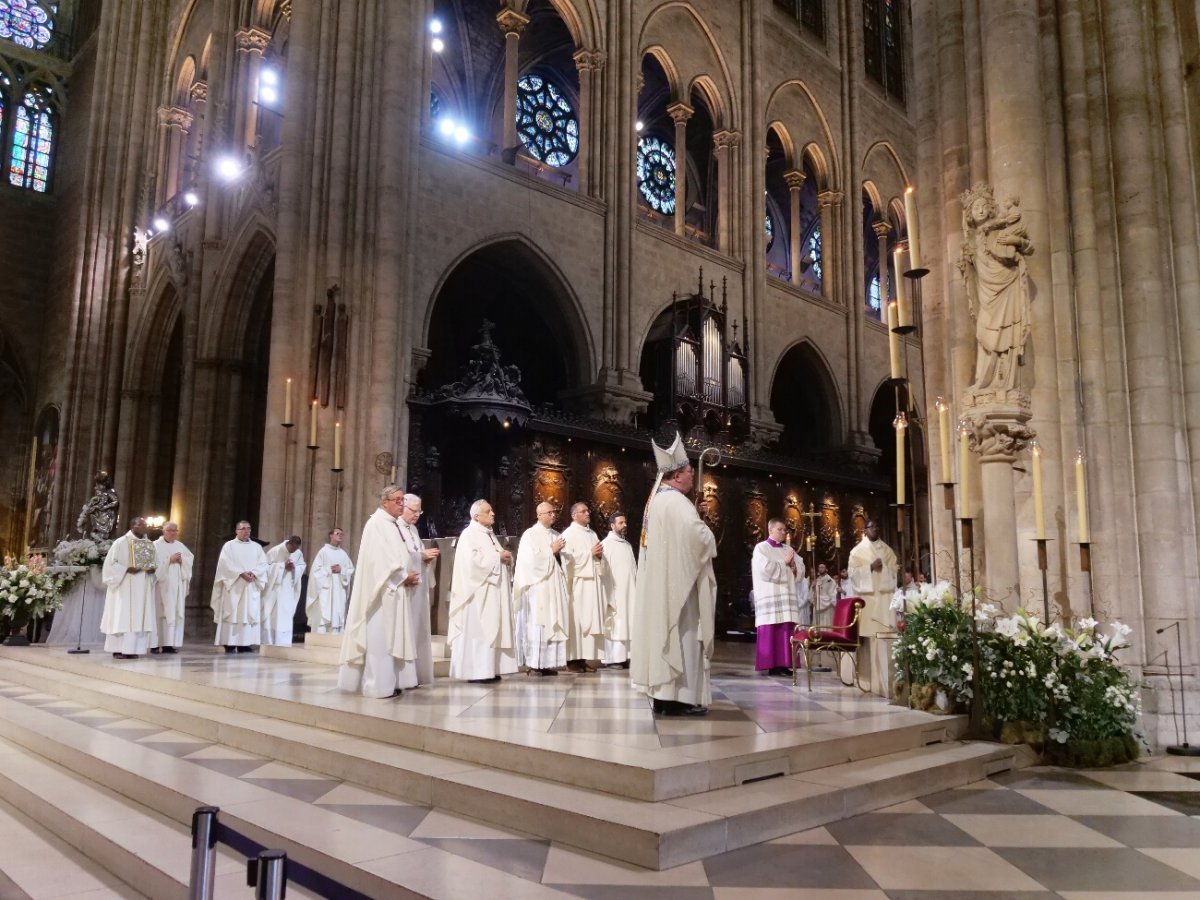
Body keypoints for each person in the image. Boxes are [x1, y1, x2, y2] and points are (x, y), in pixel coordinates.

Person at [630, 433, 717, 716]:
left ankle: (664, 698)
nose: (693, 477)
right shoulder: (677, 503)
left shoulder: (655, 501)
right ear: (677, 475)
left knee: (663, 637)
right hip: (679, 588)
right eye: (690, 472)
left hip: (661, 584)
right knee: (684, 636)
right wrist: (706, 528)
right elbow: (698, 539)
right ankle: (680, 698)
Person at [338, 486, 430, 698]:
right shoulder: (376, 524)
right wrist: (401, 576)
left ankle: (392, 682)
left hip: (396, 591)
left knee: (393, 639)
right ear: (384, 502)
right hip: (381, 593)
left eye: (401, 500)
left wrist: (407, 573)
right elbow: (377, 561)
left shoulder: (392, 525)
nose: (401, 504)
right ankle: (376, 686)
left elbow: (399, 555)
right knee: (381, 641)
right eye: (397, 500)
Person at [447, 499, 518, 683]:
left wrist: (506, 559)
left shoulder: (489, 534)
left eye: (492, 510)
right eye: (488, 511)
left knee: (493, 628)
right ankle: (476, 671)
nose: (493, 513)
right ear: (477, 516)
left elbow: (495, 556)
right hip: (477, 595)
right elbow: (471, 564)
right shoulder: (469, 534)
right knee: (480, 631)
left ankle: (490, 669)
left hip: (492, 591)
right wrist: (497, 557)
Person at [512, 501, 569, 676]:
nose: (553, 515)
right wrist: (551, 551)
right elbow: (529, 562)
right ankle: (534, 664)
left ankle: (547, 663)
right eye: (549, 512)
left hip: (554, 586)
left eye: (554, 512)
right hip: (538, 588)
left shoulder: (556, 534)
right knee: (538, 624)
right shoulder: (530, 535)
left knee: (553, 621)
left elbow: (563, 561)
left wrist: (559, 555)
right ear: (539, 515)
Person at [847, 519, 899, 696]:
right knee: (868, 640)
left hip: (884, 599)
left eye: (877, 526)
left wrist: (884, 569)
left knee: (885, 640)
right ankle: (867, 680)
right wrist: (869, 567)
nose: (875, 529)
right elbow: (852, 575)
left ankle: (885, 683)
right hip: (868, 601)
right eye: (872, 527)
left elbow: (895, 572)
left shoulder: (888, 551)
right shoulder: (857, 552)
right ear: (865, 530)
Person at [751, 519, 803, 677]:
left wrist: (793, 565)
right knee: (772, 629)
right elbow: (764, 569)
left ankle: (786, 664)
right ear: (770, 530)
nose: (783, 532)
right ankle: (771, 665)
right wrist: (784, 563)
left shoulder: (789, 549)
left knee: (786, 630)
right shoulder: (761, 548)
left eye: (784, 529)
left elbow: (800, 570)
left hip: (787, 596)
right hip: (771, 597)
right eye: (780, 529)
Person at [100, 515, 157, 659]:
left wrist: (152, 570)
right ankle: (118, 649)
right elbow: (109, 565)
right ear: (133, 526)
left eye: (145, 525)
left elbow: (156, 564)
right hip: (124, 586)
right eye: (141, 525)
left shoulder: (149, 544)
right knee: (122, 617)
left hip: (142, 586)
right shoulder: (120, 543)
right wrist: (126, 569)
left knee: (138, 618)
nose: (145, 527)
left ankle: (133, 650)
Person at [395, 493, 438, 685]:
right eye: (414, 511)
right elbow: (397, 557)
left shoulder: (412, 530)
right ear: (402, 506)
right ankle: (402, 677)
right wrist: (420, 556)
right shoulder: (394, 528)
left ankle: (414, 676)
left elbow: (416, 553)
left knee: (416, 630)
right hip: (402, 587)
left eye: (420, 511)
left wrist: (425, 558)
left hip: (416, 589)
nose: (417, 515)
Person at [210, 520, 269, 653]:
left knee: (248, 614)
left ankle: (245, 644)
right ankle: (229, 643)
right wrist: (241, 573)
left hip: (251, 585)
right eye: (243, 529)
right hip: (234, 585)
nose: (246, 531)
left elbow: (263, 564)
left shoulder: (257, 547)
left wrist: (253, 573)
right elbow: (225, 564)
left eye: (248, 528)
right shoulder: (229, 546)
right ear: (236, 531)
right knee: (233, 613)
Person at [561, 501, 605, 673]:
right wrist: (589, 554)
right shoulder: (568, 534)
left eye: (588, 511)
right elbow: (567, 560)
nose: (588, 514)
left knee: (590, 621)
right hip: (579, 585)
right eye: (583, 511)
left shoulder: (592, 533)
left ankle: (583, 659)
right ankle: (572, 660)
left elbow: (599, 555)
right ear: (574, 515)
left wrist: (600, 557)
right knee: (577, 622)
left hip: (593, 584)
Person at [600, 512, 637, 668]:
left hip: (630, 591)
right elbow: (603, 570)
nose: (625, 525)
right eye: (621, 523)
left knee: (629, 622)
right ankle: (614, 658)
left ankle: (627, 656)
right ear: (612, 525)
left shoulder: (627, 545)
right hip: (615, 592)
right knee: (617, 624)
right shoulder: (606, 545)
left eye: (625, 522)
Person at [151, 521, 193, 653]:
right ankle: (155, 644)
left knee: (174, 613)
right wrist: (170, 559)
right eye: (170, 530)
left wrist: (182, 560)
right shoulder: (155, 545)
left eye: (175, 530)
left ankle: (169, 643)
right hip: (161, 586)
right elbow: (153, 565)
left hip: (176, 587)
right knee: (159, 613)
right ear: (163, 531)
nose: (173, 533)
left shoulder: (180, 545)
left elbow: (189, 558)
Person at [307, 528, 355, 633]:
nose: (340, 536)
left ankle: (336, 631)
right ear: (331, 536)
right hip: (326, 589)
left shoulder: (343, 554)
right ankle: (322, 631)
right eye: (337, 533)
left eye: (342, 534)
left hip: (339, 589)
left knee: (338, 612)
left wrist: (341, 570)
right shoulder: (323, 552)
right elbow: (315, 571)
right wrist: (330, 569)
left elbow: (350, 569)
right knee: (325, 612)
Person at [263, 536, 305, 646]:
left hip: (288, 590)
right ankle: (270, 641)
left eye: (296, 549)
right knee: (274, 616)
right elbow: (265, 568)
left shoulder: (298, 553)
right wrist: (282, 566)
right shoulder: (275, 551)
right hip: (275, 590)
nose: (293, 551)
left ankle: (284, 642)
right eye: (292, 549)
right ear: (289, 544)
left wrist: (294, 568)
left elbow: (301, 566)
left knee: (286, 616)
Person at [812, 562, 837, 628]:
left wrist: (821, 599)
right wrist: (812, 587)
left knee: (826, 624)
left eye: (822, 567)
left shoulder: (830, 581)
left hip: (827, 608)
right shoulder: (816, 580)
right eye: (819, 567)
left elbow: (833, 594)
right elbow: (811, 596)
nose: (821, 569)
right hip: (817, 606)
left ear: (826, 569)